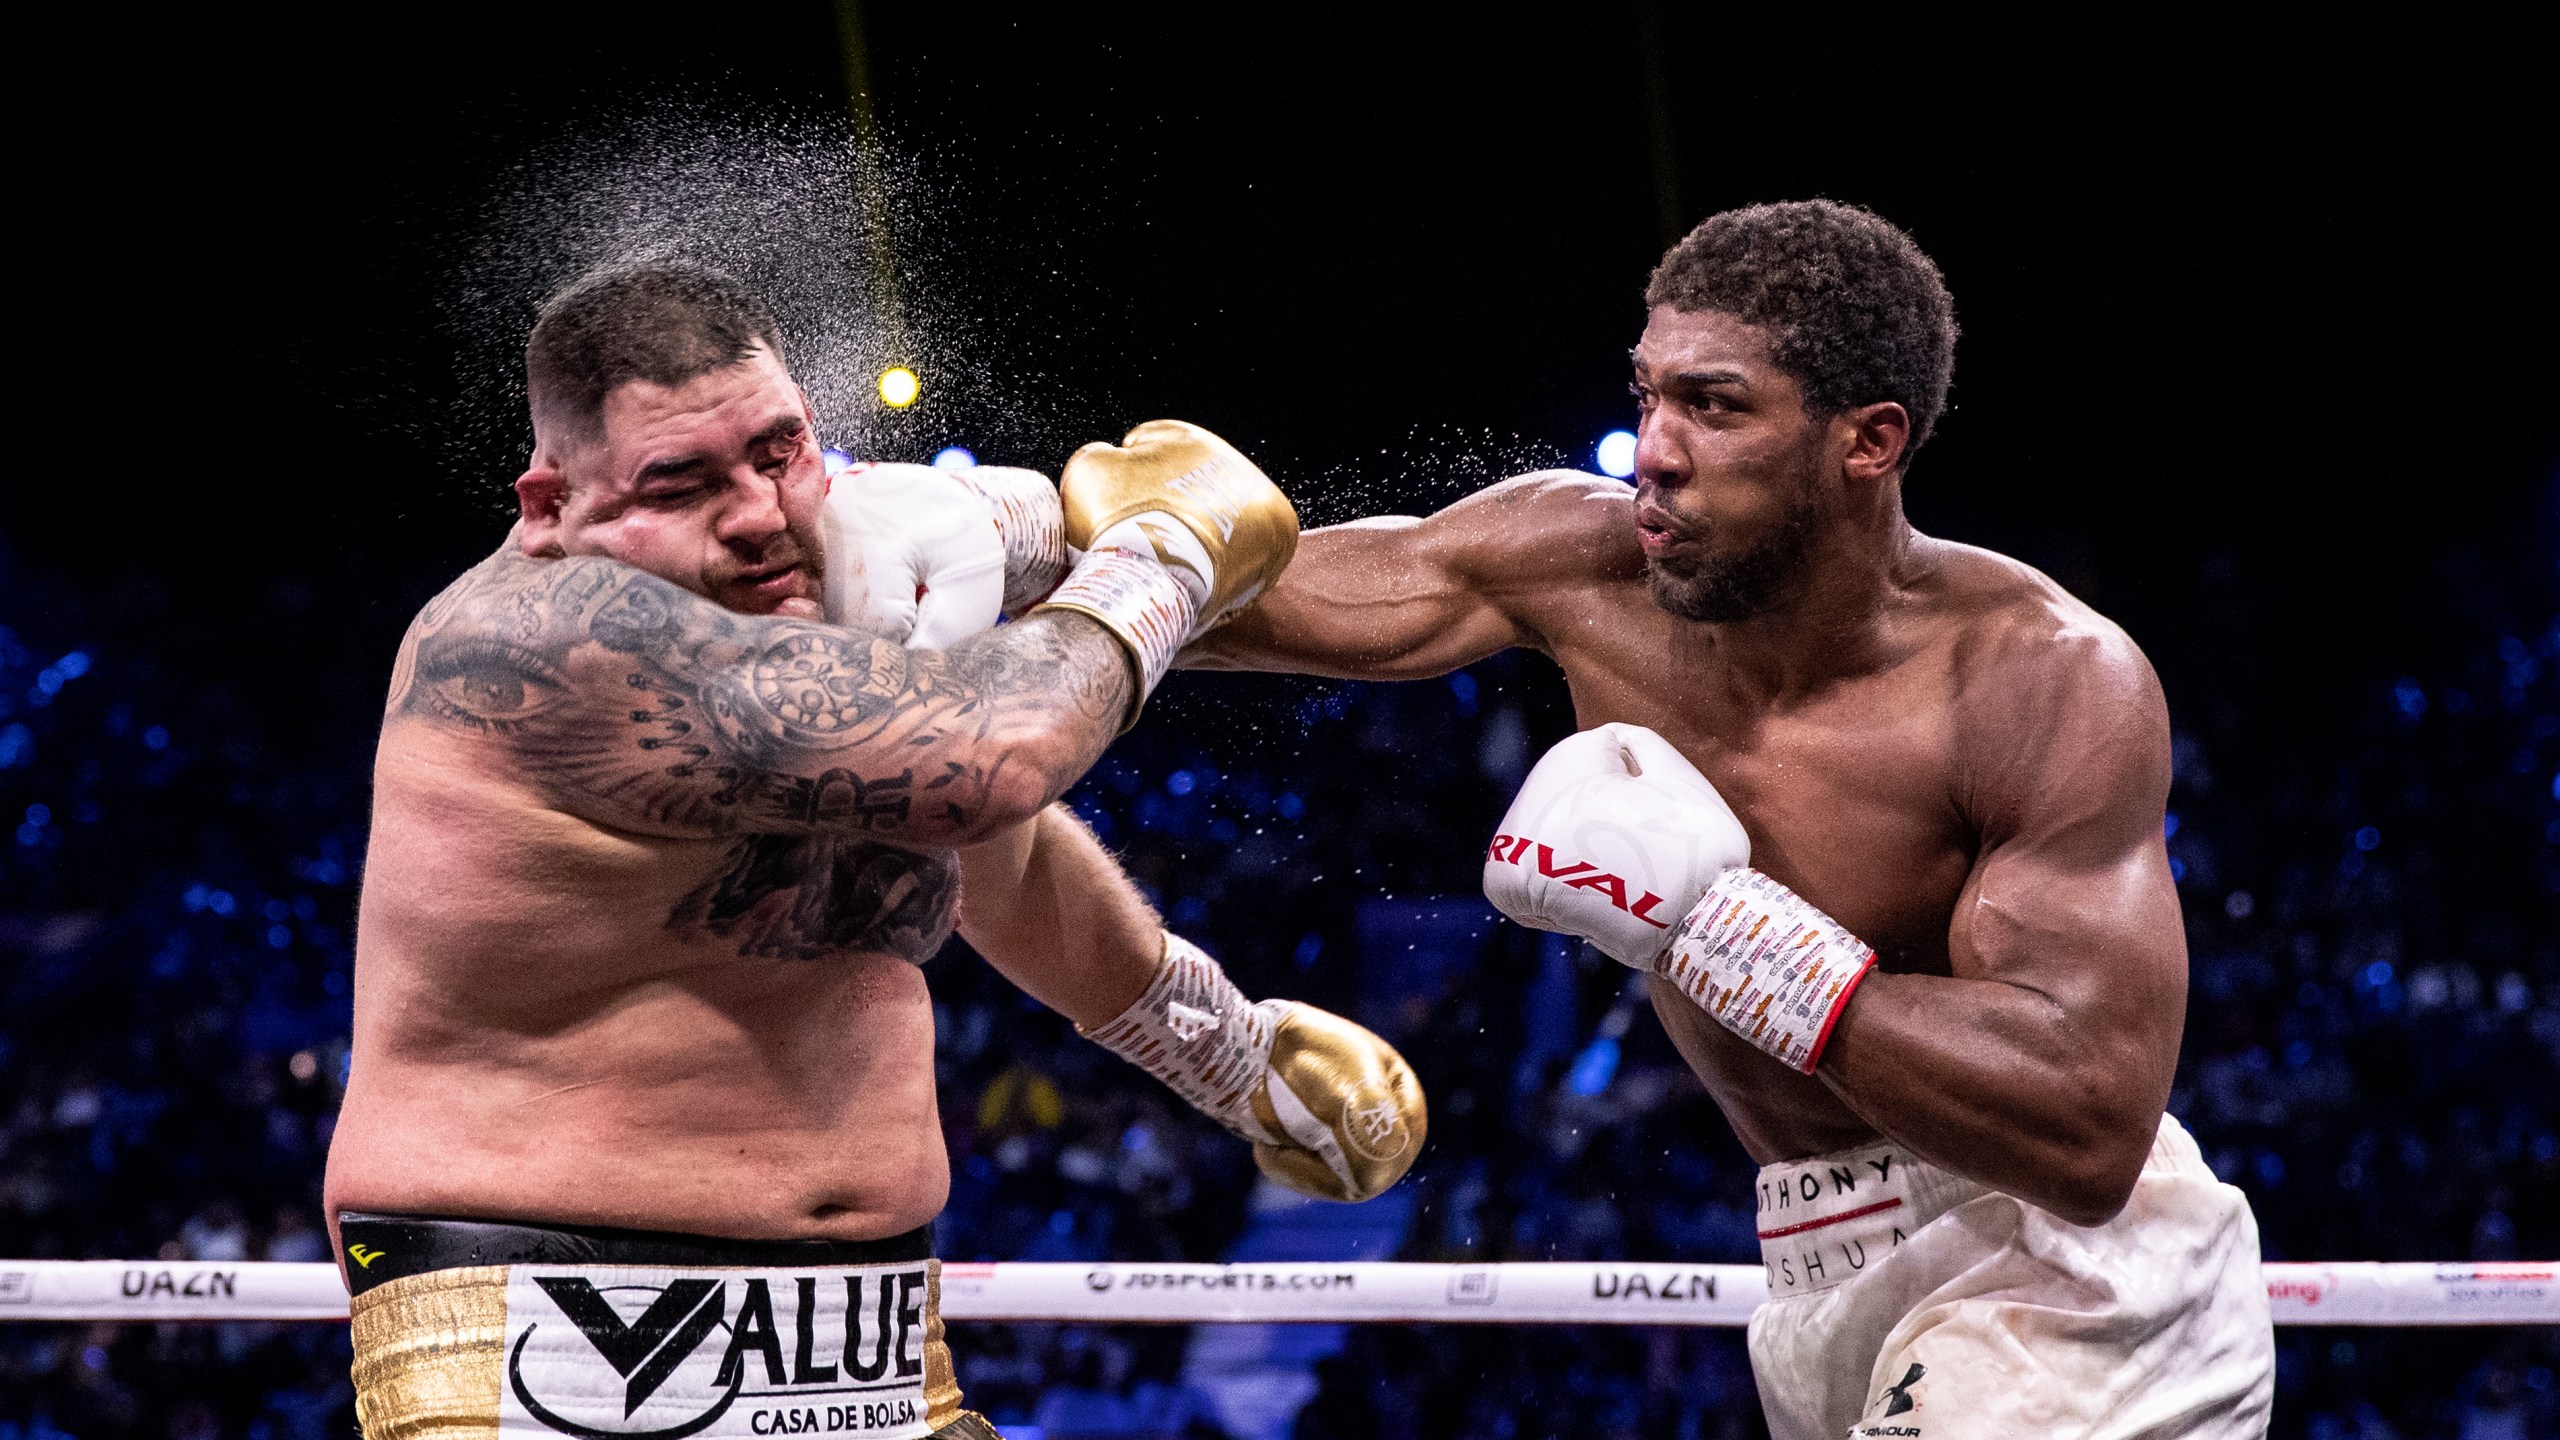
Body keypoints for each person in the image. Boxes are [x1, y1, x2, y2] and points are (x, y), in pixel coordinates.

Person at [1191, 201, 2273, 1437]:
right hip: (1813, 1273)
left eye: (1713, 406)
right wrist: (1014, 562)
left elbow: (2087, 1130)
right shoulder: (1581, 567)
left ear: (1866, 442)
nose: (1652, 447)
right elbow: (1250, 598)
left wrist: (1715, 924)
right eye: (1647, 394)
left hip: (2058, 1275)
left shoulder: (2039, 675)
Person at [322, 261, 1422, 1440]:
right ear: (551, 507)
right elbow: (998, 758)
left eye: (776, 453)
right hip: (548, 1348)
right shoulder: (553, 636)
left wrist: (1228, 1056)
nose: (756, 513)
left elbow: (992, 854)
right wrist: (1159, 555)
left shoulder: (822, 618)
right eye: (681, 483)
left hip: (878, 1346)